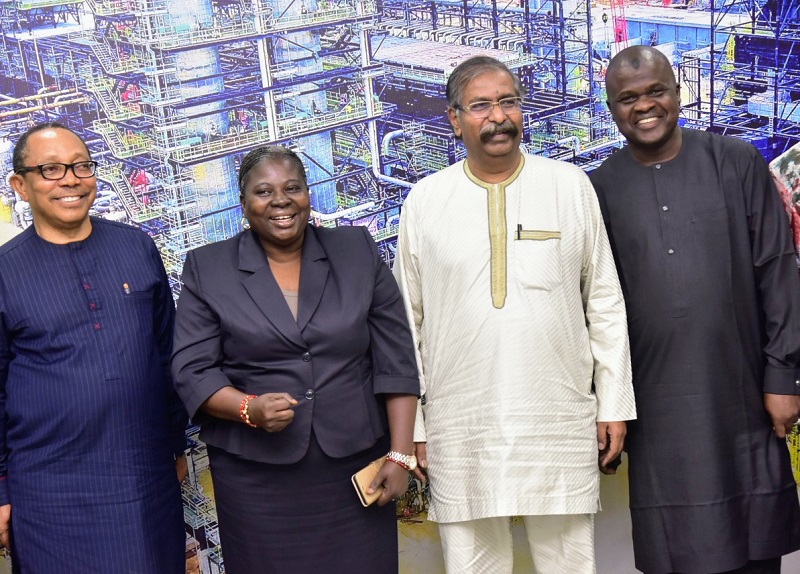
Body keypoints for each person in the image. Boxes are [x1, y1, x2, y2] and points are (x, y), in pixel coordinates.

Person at [393, 56, 637, 574]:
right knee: (473, 564)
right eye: (480, 105)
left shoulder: (568, 186)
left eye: (508, 102)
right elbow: (405, 324)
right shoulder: (426, 201)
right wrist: (415, 422)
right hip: (461, 422)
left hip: (557, 415)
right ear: (455, 119)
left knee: (569, 562)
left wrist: (612, 403)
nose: (498, 116)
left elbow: (605, 302)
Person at [590, 45, 800, 574]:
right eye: (627, 98)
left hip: (745, 392)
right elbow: (593, 304)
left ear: (677, 93)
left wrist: (783, 378)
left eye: (655, 92)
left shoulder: (736, 161)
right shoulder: (597, 189)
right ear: (611, 109)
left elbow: (778, 270)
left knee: (755, 543)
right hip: (656, 409)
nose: (644, 106)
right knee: (676, 549)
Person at [170, 145, 419, 574]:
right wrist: (249, 408)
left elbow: (395, 357)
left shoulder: (356, 250)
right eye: (263, 191)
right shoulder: (208, 268)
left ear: (308, 194)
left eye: (293, 188)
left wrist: (399, 456)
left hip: (355, 465)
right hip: (257, 479)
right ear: (244, 203)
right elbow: (191, 370)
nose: (280, 200)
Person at [0, 122, 187, 572]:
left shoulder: (136, 247)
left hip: (145, 478)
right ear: (20, 186)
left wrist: (176, 443)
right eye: (51, 169)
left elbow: (168, 354)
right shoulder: (5, 272)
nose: (70, 179)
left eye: (82, 166)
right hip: (50, 493)